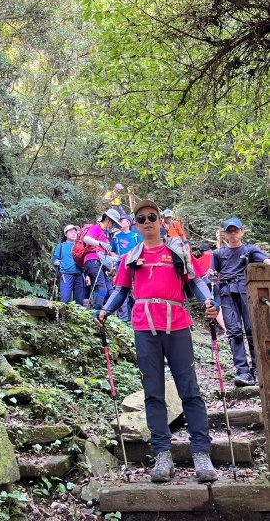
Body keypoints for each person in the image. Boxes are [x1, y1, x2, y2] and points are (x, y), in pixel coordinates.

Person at [97, 199, 218, 483]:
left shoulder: (177, 252)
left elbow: (194, 282)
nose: (148, 221)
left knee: (189, 389)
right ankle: (163, 456)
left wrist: (208, 301)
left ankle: (202, 454)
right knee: (153, 393)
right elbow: (120, 290)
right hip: (143, 327)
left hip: (176, 325)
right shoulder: (131, 256)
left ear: (160, 222)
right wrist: (105, 310)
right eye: (142, 218)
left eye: (152, 216)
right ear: (136, 225)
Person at [212, 217, 270, 387]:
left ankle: (258, 370)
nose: (233, 234)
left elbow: (265, 260)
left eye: (236, 230)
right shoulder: (218, 254)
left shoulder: (249, 250)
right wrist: (213, 302)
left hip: (246, 291)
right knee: (234, 331)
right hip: (226, 293)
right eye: (229, 231)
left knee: (252, 329)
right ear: (225, 234)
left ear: (242, 231)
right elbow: (213, 277)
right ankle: (243, 372)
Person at [83, 209, 120, 309]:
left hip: (100, 262)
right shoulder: (96, 228)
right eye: (113, 223)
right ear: (107, 219)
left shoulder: (105, 234)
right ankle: (96, 312)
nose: (113, 226)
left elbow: (103, 254)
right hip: (92, 260)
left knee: (109, 288)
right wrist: (100, 243)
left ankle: (106, 312)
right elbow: (86, 239)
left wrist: (116, 258)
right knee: (101, 288)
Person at [111, 214, 143, 323]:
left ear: (128, 223)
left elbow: (143, 250)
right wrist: (115, 257)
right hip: (120, 267)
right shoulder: (116, 237)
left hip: (135, 268)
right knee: (121, 290)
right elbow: (111, 251)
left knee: (136, 293)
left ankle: (138, 318)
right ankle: (123, 320)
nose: (119, 223)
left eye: (122, 221)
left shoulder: (136, 236)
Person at [196, 243, 226, 333]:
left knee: (215, 306)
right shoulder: (215, 258)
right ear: (209, 250)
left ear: (201, 252)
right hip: (221, 283)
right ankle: (229, 328)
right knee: (222, 305)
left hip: (208, 285)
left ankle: (226, 329)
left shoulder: (198, 261)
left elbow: (197, 277)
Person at [52, 225, 84, 305]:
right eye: (71, 232)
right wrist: (56, 262)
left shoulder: (79, 245)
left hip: (79, 274)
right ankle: (63, 316)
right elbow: (55, 258)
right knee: (65, 300)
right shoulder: (61, 246)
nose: (74, 234)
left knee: (79, 301)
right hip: (66, 274)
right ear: (65, 234)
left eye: (75, 232)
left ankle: (77, 317)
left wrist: (87, 275)